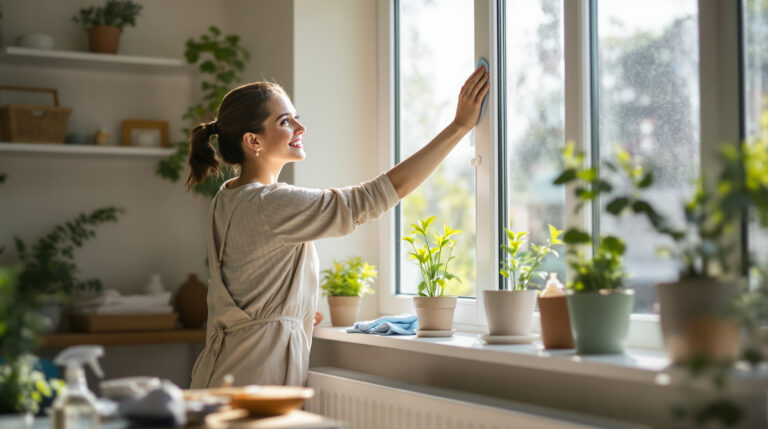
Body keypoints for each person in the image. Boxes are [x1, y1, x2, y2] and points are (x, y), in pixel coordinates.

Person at [187, 67, 489, 388]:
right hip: (254, 380)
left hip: (221, 376)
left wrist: (293, 310)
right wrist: (459, 126)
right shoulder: (268, 203)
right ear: (253, 141)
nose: (301, 127)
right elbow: (374, 197)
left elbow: (249, 282)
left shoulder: (228, 196)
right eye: (285, 122)